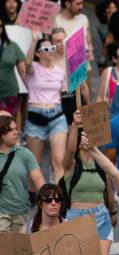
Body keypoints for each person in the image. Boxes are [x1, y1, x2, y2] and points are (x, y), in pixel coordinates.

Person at [61, 111, 117, 255]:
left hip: (101, 217)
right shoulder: (70, 164)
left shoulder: (100, 162)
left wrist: (113, 212)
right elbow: (67, 150)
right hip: (76, 218)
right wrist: (74, 126)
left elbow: (109, 190)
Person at [24, 33, 68, 182]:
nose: (50, 50)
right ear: (38, 53)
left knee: (58, 160)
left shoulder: (60, 71)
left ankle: (59, 196)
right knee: (35, 163)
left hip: (57, 115)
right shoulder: (33, 67)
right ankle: (36, 196)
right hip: (36, 115)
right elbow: (27, 63)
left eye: (52, 47)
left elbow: (64, 94)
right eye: (46, 48)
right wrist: (35, 39)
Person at [0, 115, 44, 232]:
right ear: (1, 134)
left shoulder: (25, 154)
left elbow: (38, 178)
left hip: (21, 212)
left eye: (16, 129)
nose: (16, 132)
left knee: (19, 248)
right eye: (11, 130)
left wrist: (46, 199)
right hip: (1, 212)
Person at [0, 18, 26, 117]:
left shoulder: (12, 46)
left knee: (9, 123)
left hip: (9, 92)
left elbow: (23, 72)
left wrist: (33, 92)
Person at [94, 0, 119, 71]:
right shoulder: (101, 27)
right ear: (104, 12)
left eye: (114, 8)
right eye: (109, 10)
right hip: (109, 60)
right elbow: (107, 42)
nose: (112, 11)